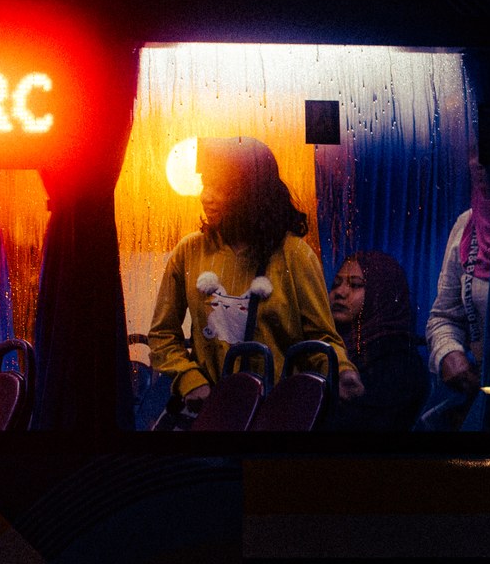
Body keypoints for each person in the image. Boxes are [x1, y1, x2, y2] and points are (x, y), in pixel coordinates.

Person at [146, 136, 349, 406]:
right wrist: (190, 380)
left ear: (252, 192)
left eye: (221, 187)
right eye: (206, 184)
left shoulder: (296, 255)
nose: (206, 196)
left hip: (278, 413)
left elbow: (321, 338)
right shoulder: (190, 251)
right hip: (213, 411)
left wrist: (343, 371)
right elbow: (162, 336)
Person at [322, 251, 429, 433]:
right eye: (336, 284)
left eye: (355, 285)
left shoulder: (399, 362)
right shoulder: (326, 347)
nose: (339, 293)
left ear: (382, 295)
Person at [425, 144, 490, 403]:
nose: (478, 163)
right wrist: (448, 352)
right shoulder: (467, 226)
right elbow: (444, 317)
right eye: (474, 151)